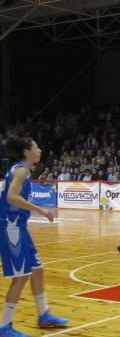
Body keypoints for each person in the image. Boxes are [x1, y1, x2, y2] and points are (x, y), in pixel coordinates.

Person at [0, 137, 69, 336]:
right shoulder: (21, 170)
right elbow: (12, 197)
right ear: (27, 150)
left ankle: (44, 315)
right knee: (21, 278)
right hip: (11, 228)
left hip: (19, 227)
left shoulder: (21, 169)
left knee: (37, 270)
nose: (40, 149)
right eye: (36, 146)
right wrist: (40, 209)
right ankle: (5, 326)